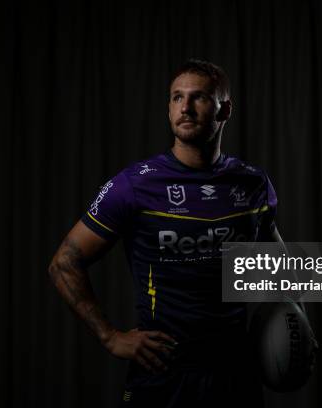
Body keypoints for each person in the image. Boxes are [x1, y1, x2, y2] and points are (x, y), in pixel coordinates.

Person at [49, 59, 285, 407]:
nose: (185, 107)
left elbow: (277, 264)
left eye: (199, 97)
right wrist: (110, 337)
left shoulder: (252, 183)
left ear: (225, 110)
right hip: (164, 373)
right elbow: (64, 263)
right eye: (177, 97)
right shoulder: (135, 184)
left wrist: (296, 318)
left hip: (235, 375)